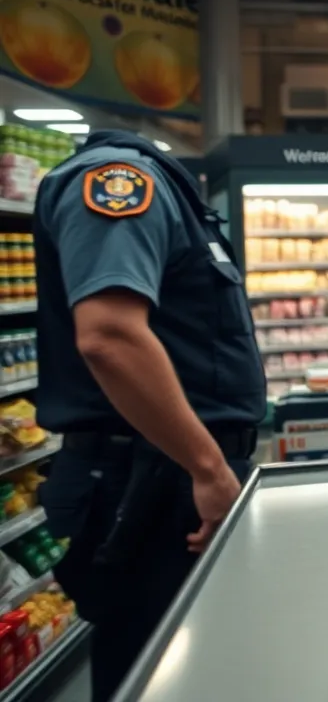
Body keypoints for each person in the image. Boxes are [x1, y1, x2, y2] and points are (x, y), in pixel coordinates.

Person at [33, 130, 265, 700]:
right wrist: (208, 469)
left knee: (185, 660)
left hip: (164, 471)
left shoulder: (171, 193)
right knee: (152, 667)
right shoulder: (121, 179)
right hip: (151, 480)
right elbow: (109, 337)